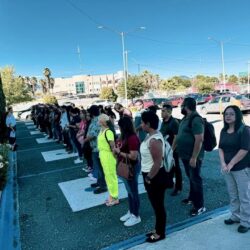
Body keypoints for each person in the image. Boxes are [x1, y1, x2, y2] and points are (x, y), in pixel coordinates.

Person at [218, 105, 250, 233]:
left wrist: (230, 164)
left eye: (231, 114)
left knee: (244, 196)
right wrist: (223, 164)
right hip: (227, 169)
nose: (228, 116)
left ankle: (246, 221)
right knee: (233, 194)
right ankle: (236, 216)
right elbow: (220, 148)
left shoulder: (244, 130)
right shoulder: (223, 131)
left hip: (241, 168)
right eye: (226, 114)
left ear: (237, 115)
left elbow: (244, 149)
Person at [140, 110, 169, 243]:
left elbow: (158, 162)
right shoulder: (151, 135)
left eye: (142, 122)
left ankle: (160, 233)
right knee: (156, 205)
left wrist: (149, 178)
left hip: (154, 176)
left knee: (158, 206)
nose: (141, 125)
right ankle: (158, 228)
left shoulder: (154, 140)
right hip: (150, 174)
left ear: (148, 124)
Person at [176, 97, 206, 216]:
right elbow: (179, 135)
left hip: (193, 157)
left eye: (182, 105)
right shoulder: (185, 118)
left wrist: (194, 157)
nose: (181, 107)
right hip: (185, 155)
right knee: (191, 178)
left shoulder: (195, 119)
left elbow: (199, 139)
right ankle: (192, 198)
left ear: (186, 106)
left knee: (195, 179)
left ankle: (199, 206)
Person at [113, 116, 141, 226]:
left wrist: (118, 152)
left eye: (120, 126)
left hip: (131, 167)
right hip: (125, 165)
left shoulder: (132, 138)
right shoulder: (125, 136)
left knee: (133, 191)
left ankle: (136, 215)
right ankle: (132, 211)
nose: (119, 128)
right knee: (130, 191)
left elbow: (133, 156)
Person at [160, 104, 182, 196]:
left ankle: (178, 187)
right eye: (161, 110)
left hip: (173, 150)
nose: (161, 112)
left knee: (176, 168)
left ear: (169, 112)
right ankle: (169, 183)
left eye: (163, 111)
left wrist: (171, 150)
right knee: (168, 167)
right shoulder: (164, 121)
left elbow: (176, 137)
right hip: (166, 149)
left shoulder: (174, 122)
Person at [98, 114, 119, 206]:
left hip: (108, 156)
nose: (98, 121)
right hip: (103, 155)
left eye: (99, 119)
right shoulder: (102, 131)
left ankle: (115, 197)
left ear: (102, 121)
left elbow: (113, 146)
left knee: (111, 177)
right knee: (108, 176)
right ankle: (112, 195)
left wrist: (115, 158)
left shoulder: (108, 132)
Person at [85, 105, 107, 193]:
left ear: (91, 113)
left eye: (88, 112)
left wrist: (85, 140)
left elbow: (92, 134)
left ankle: (103, 186)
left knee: (100, 168)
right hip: (95, 148)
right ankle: (99, 182)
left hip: (98, 148)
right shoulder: (95, 120)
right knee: (97, 167)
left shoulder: (97, 121)